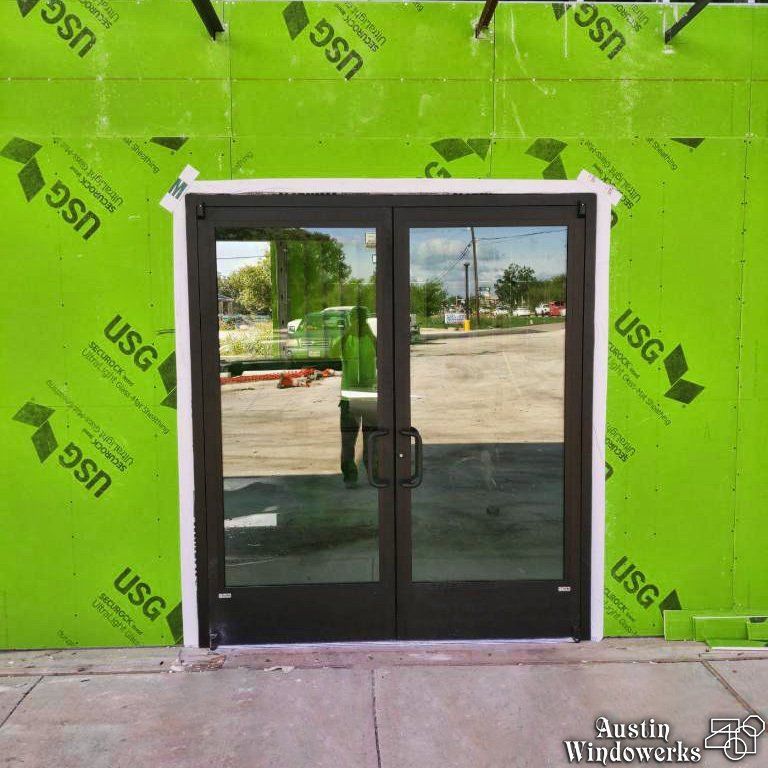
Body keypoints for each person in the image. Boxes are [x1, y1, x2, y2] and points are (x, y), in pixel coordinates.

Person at [329, 306, 377, 487]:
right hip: (349, 398)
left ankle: (374, 473)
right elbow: (332, 353)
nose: (358, 323)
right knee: (348, 441)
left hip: (369, 397)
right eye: (355, 319)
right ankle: (349, 475)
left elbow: (383, 352)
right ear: (350, 320)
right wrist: (347, 332)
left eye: (361, 319)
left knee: (372, 440)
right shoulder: (345, 339)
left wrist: (369, 332)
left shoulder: (370, 338)